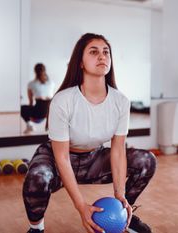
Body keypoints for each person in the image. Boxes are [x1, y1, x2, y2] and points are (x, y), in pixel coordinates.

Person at [22, 33, 157, 233]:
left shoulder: (121, 101)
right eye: (94, 52)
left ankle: (125, 212)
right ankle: (36, 228)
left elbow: (118, 151)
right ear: (81, 63)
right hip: (58, 158)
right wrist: (81, 207)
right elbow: (62, 157)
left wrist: (120, 196)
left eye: (106, 52)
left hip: (94, 160)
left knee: (146, 160)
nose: (102, 56)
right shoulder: (63, 100)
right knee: (37, 177)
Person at [21, 63, 55, 133]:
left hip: (39, 114)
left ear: (35, 72)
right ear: (45, 70)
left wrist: (29, 115)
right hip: (50, 112)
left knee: (22, 108)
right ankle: (49, 126)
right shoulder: (52, 83)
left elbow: (30, 102)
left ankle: (29, 125)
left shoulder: (31, 84)